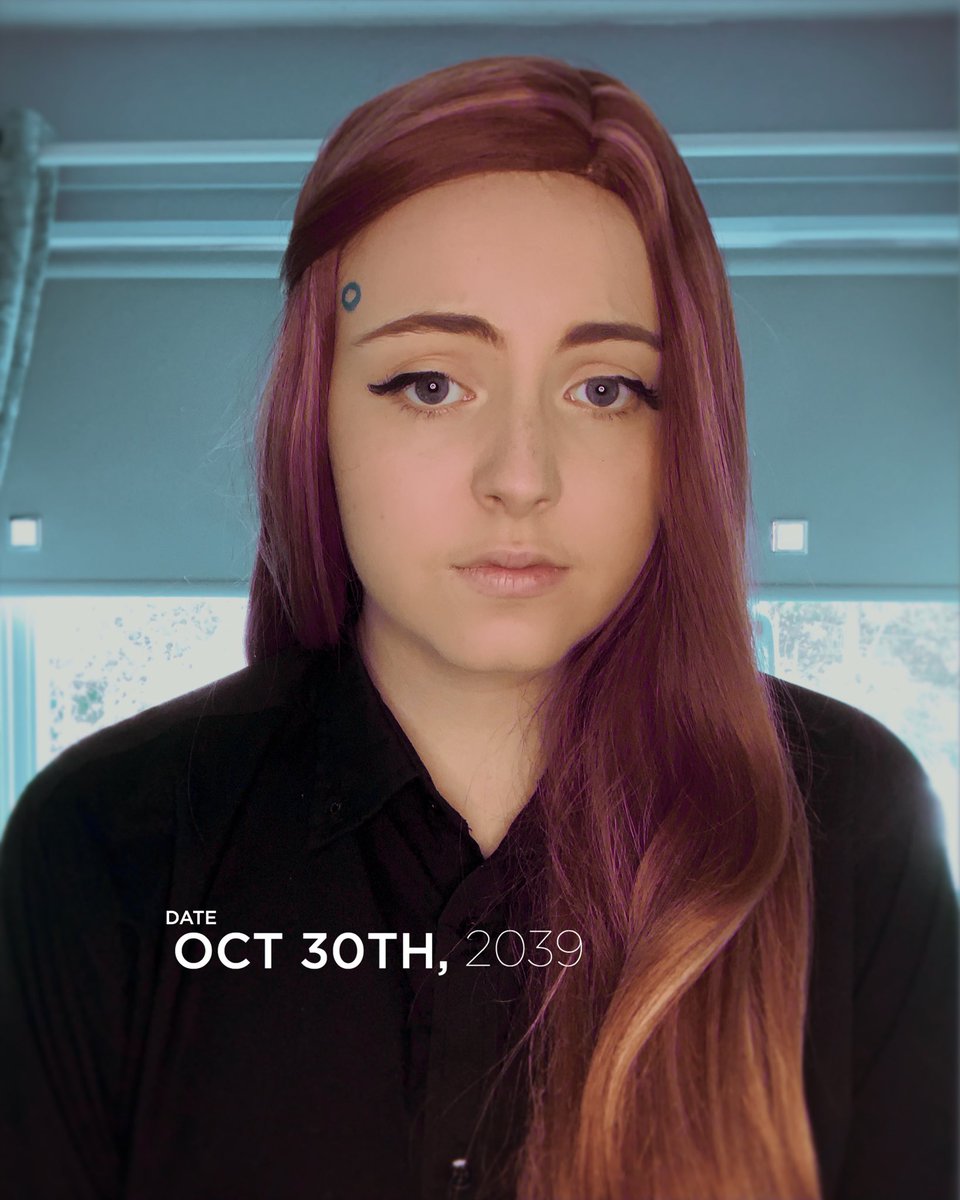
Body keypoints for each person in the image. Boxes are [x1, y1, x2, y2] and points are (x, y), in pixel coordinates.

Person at [0, 54, 956, 1200]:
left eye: (604, 389)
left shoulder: (848, 823)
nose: (521, 477)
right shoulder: (104, 842)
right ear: (318, 416)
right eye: (429, 384)